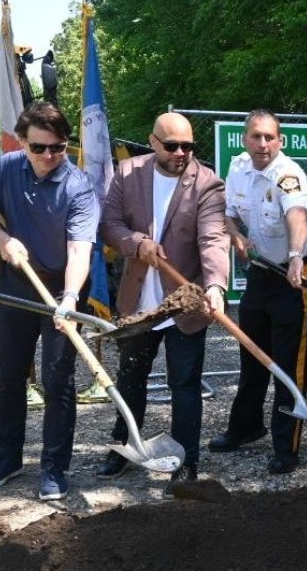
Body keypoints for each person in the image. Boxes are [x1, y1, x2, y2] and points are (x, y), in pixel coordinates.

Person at [0, 102, 100, 501]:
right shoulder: (8, 167)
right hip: (17, 286)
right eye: (39, 148)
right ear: (23, 143)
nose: (49, 156)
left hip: (62, 287)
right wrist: (4, 239)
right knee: (10, 377)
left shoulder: (79, 186)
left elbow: (80, 251)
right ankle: (8, 458)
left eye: (58, 148)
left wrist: (69, 299)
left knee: (57, 380)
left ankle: (54, 468)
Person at [95, 112, 229, 483]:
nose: (181, 153)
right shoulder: (128, 174)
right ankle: (124, 446)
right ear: (153, 142)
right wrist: (136, 244)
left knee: (184, 384)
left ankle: (185, 464)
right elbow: (109, 225)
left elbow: (214, 239)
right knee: (130, 378)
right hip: (140, 304)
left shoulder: (208, 185)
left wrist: (216, 285)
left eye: (188, 145)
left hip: (186, 304)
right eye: (172, 146)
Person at [212, 109, 307, 474]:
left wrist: (294, 257)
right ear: (245, 138)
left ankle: (286, 446)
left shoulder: (289, 175)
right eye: (256, 136)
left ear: (281, 140)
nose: (262, 144)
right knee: (253, 354)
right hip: (261, 271)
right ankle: (246, 427)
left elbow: (297, 217)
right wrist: (235, 234)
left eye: (269, 137)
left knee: (289, 363)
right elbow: (227, 212)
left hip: (296, 274)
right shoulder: (239, 168)